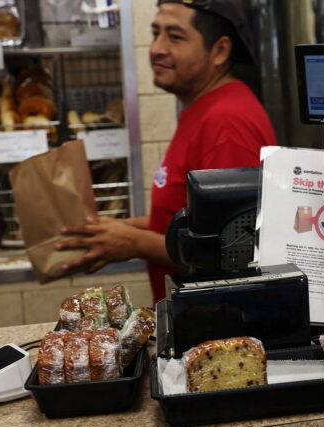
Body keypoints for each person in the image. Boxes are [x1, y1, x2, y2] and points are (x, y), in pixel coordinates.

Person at [56, 0, 276, 303]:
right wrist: (120, 228)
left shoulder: (227, 124)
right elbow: (192, 221)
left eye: (175, 37)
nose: (157, 48)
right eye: (155, 33)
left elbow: (229, 255)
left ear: (220, 51)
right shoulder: (202, 108)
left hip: (213, 322)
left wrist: (135, 243)